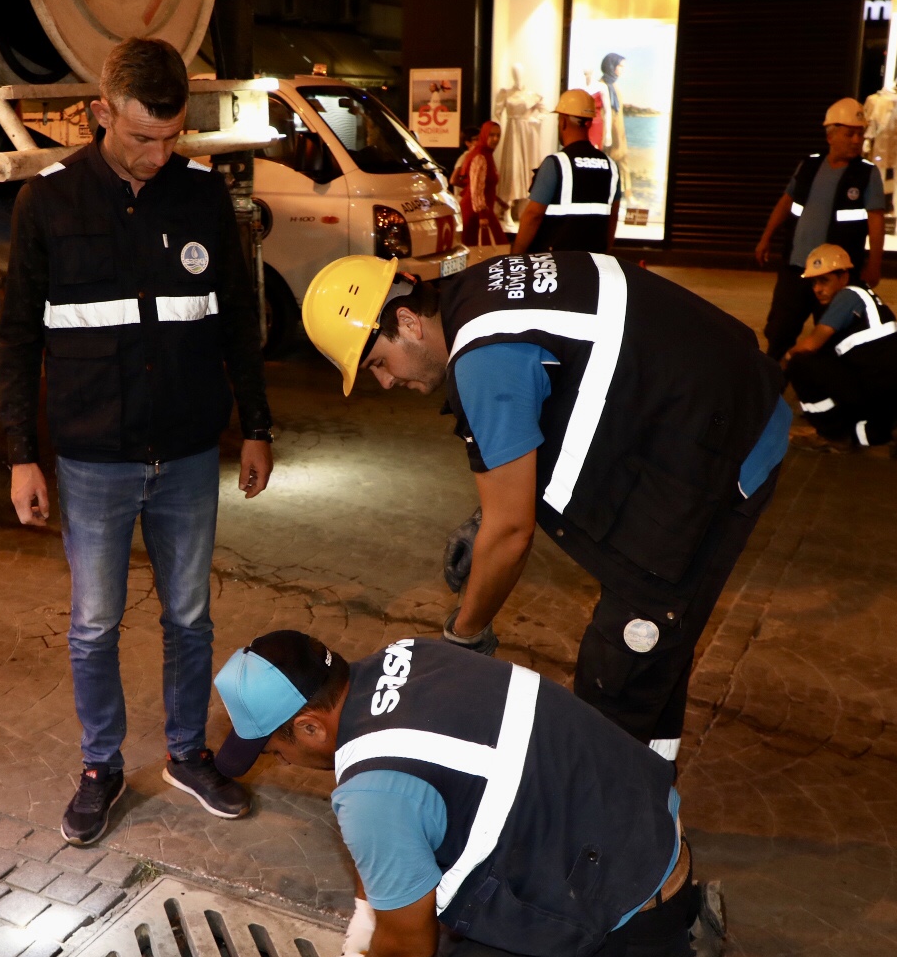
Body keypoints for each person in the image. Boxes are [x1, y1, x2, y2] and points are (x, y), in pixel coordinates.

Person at [301, 251, 789, 766]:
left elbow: (512, 533)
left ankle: (617, 827)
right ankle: (653, 793)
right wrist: (484, 514)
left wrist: (466, 633)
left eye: (377, 362)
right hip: (715, 401)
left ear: (405, 321)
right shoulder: (477, 289)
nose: (385, 382)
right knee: (657, 661)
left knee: (621, 674)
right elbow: (537, 407)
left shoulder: (483, 359)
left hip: (721, 450)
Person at [208, 630, 740, 957]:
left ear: (309, 728)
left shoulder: (370, 794)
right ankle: (690, 922)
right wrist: (368, 913)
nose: (282, 762)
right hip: (650, 832)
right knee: (451, 908)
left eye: (275, 750)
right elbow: (418, 810)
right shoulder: (411, 656)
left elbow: (410, 953)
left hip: (618, 916)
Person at [0, 37, 275, 847]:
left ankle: (187, 754)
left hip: (188, 451)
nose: (158, 155)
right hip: (93, 459)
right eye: (140, 138)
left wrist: (255, 426)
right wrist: (21, 452)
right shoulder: (46, 204)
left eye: (171, 138)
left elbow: (237, 323)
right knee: (94, 623)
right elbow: (17, 338)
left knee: (189, 615)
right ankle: (101, 766)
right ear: (98, 115)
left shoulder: (201, 198)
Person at [752, 98, 887, 357]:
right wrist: (766, 237)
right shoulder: (810, 165)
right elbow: (786, 201)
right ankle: (771, 389)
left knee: (833, 339)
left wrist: (875, 263)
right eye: (850, 134)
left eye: (860, 133)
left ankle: (826, 391)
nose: (857, 140)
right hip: (796, 269)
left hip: (836, 276)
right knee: (779, 332)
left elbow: (876, 221)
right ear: (831, 135)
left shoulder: (867, 174)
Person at [783, 244, 897, 455]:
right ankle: (892, 427)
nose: (817, 288)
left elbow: (811, 343)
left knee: (799, 363)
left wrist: (781, 362)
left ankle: (831, 435)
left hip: (877, 390)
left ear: (844, 277)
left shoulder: (848, 297)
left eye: (824, 280)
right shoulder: (864, 296)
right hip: (894, 391)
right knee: (865, 432)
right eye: (814, 282)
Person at [510, 88, 619, 256]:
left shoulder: (556, 164)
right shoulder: (610, 166)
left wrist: (515, 256)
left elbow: (533, 215)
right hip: (594, 261)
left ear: (563, 121)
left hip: (556, 263)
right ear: (589, 122)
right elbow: (612, 218)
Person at [453, 122, 507, 247]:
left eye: (498, 135)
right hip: (476, 211)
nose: (495, 139)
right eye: (491, 135)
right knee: (493, 246)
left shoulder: (487, 154)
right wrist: (482, 214)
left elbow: (483, 185)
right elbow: (476, 187)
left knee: (489, 247)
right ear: (484, 135)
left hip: (482, 209)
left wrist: (498, 201)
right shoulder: (480, 156)